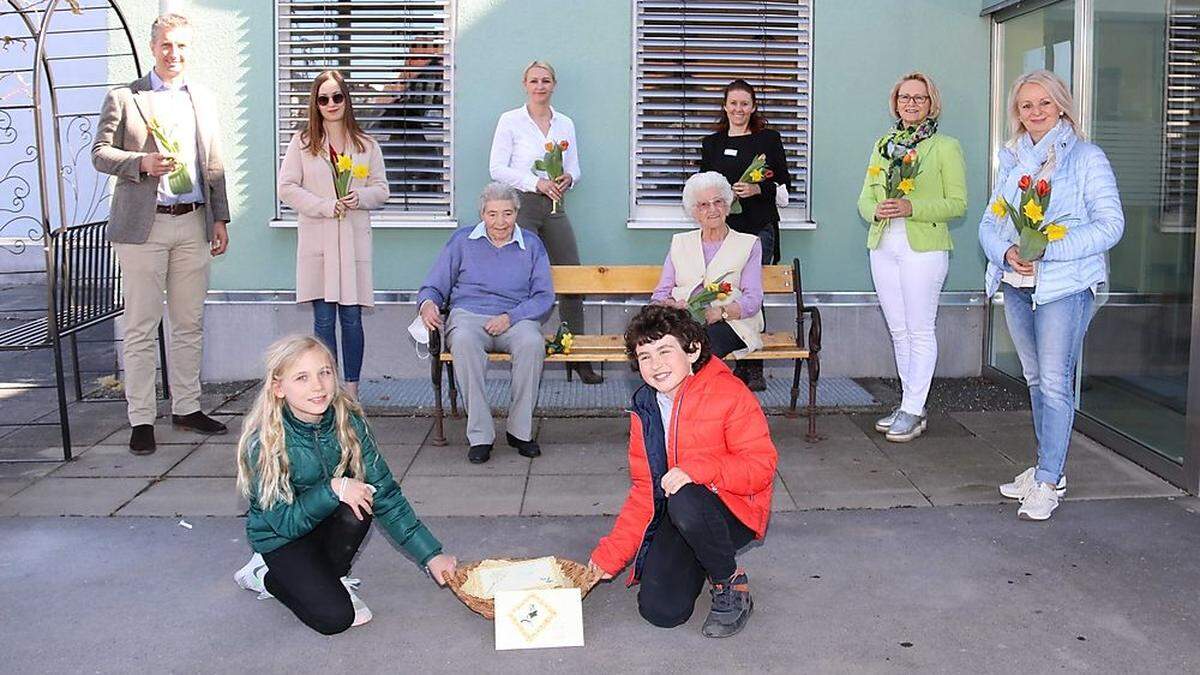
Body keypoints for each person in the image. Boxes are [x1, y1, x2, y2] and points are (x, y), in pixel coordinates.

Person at [232, 334, 457, 634]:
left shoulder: (347, 419)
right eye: (302, 377)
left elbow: (386, 494)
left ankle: (329, 575)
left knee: (363, 499)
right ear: (278, 388)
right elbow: (283, 523)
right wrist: (333, 488)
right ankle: (265, 575)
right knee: (335, 619)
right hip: (281, 537)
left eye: (325, 372)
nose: (318, 385)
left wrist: (431, 555)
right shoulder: (265, 441)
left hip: (324, 523)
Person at [980, 69, 1124, 521]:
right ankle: (1049, 468)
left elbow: (1110, 225)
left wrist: (1050, 251)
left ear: (1061, 105)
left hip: (1064, 287)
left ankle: (1047, 481)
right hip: (1019, 287)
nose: (1035, 112)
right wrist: (1006, 252)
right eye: (1026, 106)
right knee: (1037, 380)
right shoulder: (1014, 160)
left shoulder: (1087, 157)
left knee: (1057, 383)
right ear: (1017, 113)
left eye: (1044, 103)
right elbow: (990, 223)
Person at [588, 304, 777, 638]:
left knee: (684, 498)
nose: (655, 364)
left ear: (692, 350)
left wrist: (699, 469)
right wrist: (609, 557)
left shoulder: (729, 393)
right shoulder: (645, 407)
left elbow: (761, 468)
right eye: (644, 356)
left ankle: (729, 582)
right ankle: (704, 557)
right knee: (661, 611)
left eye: (664, 351)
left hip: (734, 510)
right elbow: (645, 492)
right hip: (682, 513)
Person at [92, 13, 230, 455]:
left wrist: (220, 218)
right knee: (140, 325)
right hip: (143, 227)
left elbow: (213, 164)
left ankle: (187, 408)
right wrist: (139, 164)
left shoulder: (202, 99)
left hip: (192, 221)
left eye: (183, 46)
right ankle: (141, 419)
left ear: (190, 50)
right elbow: (99, 153)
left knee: (189, 322)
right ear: (154, 47)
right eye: (167, 45)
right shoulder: (125, 97)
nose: (175, 54)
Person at [857, 71, 967, 442]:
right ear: (896, 103)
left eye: (919, 98)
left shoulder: (945, 146)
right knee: (899, 330)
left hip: (924, 248)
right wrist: (876, 210)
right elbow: (864, 198)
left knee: (920, 329)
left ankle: (914, 407)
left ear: (931, 102)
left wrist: (910, 205)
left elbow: (957, 204)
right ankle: (910, 404)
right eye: (905, 97)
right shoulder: (884, 145)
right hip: (884, 245)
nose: (911, 104)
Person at [416, 182, 555, 464]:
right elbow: (434, 285)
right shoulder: (462, 241)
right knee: (464, 343)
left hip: (516, 317)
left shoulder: (532, 244)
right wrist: (427, 303)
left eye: (507, 213)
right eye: (492, 214)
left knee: (532, 343)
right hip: (469, 315)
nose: (500, 222)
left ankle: (520, 432)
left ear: (516, 213)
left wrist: (510, 318)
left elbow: (543, 296)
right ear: (482, 214)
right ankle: (480, 436)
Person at [278, 70, 390, 400]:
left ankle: (351, 392)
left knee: (352, 319)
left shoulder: (365, 145)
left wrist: (361, 198)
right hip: (319, 240)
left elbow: (381, 189)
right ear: (315, 103)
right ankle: (325, 391)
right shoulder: (303, 144)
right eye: (323, 98)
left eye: (337, 97)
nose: (330, 104)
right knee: (324, 321)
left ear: (347, 100)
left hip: (353, 240)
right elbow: (286, 188)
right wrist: (324, 205)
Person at [488, 60, 601, 385]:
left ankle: (576, 353)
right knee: (520, 278)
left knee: (571, 275)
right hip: (521, 207)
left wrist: (569, 178)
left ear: (554, 85)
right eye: (535, 80)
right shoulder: (510, 120)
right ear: (525, 84)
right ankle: (519, 349)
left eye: (546, 80)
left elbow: (575, 168)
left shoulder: (564, 123)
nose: (540, 86)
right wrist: (533, 182)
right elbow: (497, 168)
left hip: (555, 206)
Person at [700, 79, 791, 390]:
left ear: (753, 107)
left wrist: (757, 189)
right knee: (723, 291)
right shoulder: (711, 143)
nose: (738, 109)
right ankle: (724, 360)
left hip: (757, 229)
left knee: (752, 292)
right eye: (733, 103)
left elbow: (784, 186)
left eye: (744, 104)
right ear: (725, 106)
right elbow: (702, 187)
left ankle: (753, 366)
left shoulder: (768, 140)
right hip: (721, 231)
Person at [652, 171, 765, 362]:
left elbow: (753, 299)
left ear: (728, 206)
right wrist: (670, 306)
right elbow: (660, 293)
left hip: (732, 323)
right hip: (684, 320)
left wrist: (720, 313)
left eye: (718, 202)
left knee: (701, 347)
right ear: (694, 212)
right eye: (704, 205)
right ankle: (662, 392)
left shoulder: (749, 244)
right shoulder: (680, 242)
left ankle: (689, 391)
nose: (713, 209)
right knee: (656, 345)